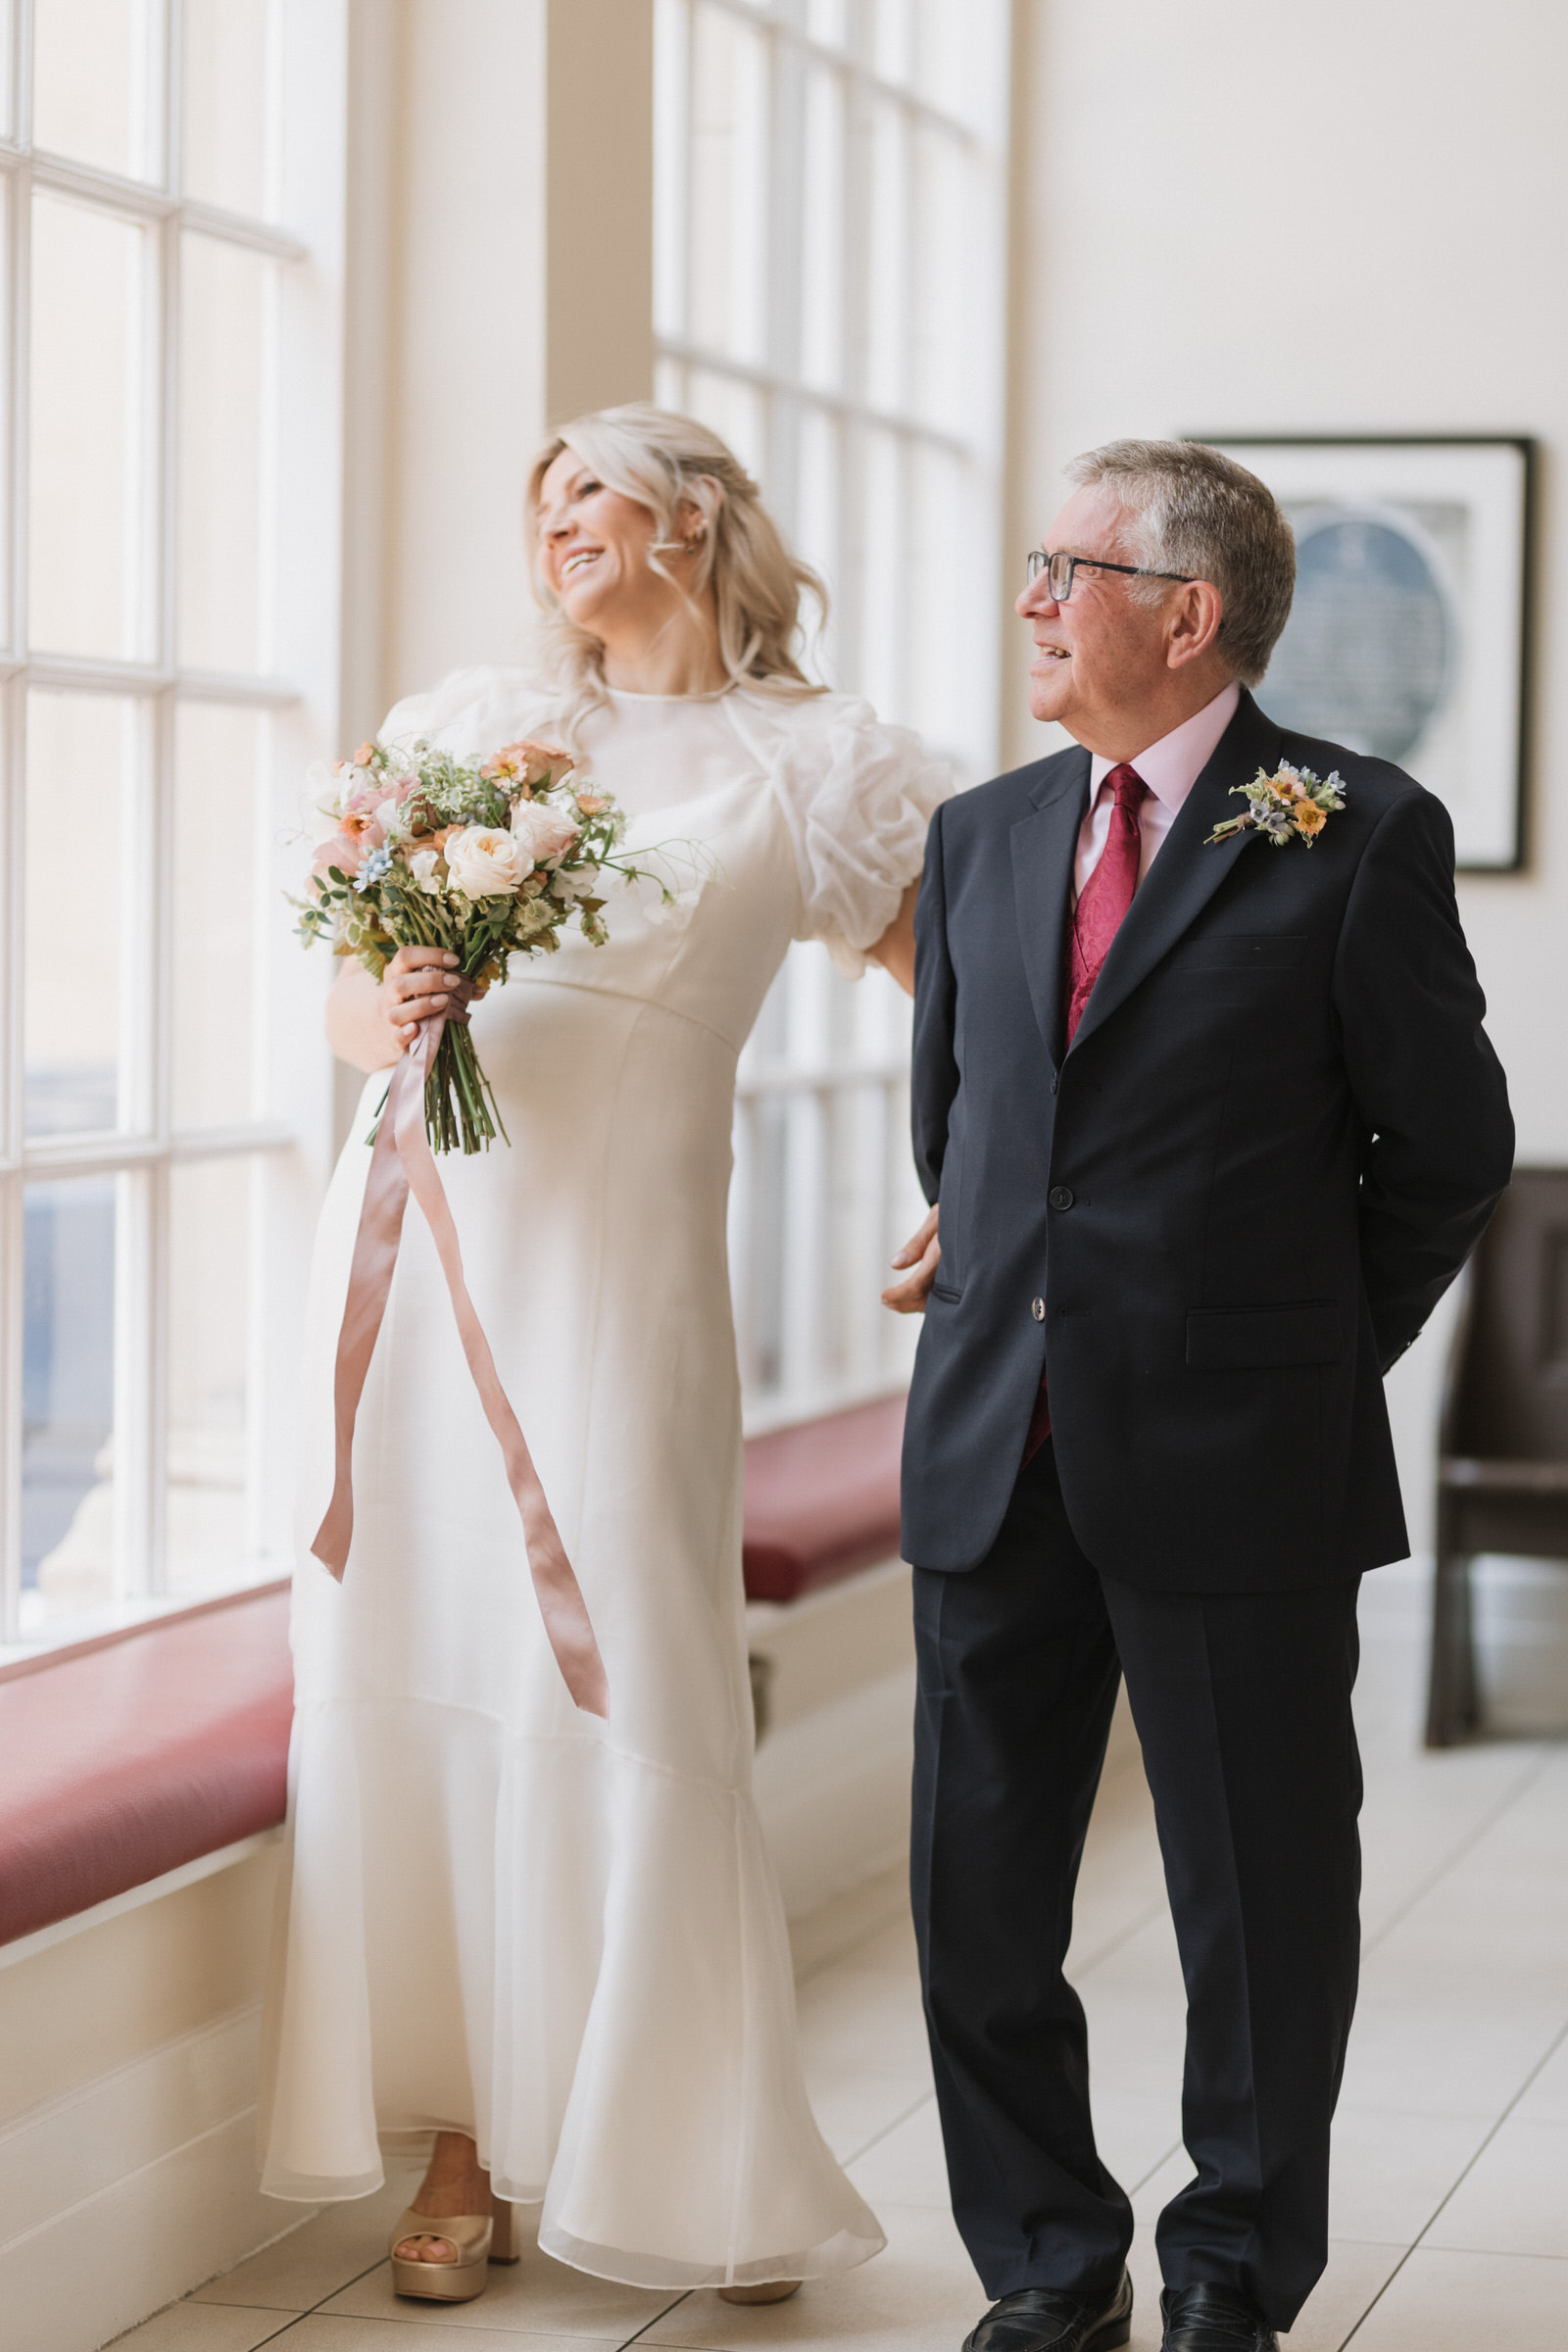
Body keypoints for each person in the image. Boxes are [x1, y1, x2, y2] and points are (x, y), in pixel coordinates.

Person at [260, 404, 949, 2306]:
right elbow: (335, 980)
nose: (558, 522)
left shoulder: (820, 763)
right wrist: (375, 1003)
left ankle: (688, 2152)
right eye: (540, 497)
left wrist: (986, 1183)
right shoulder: (468, 727)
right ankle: (461, 2148)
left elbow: (966, 1000)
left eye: (596, 490)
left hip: (622, 1285)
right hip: (416, 1257)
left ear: (697, 515)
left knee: (624, 1662)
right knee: (429, 1644)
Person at [883, 439, 1513, 2352]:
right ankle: (1044, 2269)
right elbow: (963, 1131)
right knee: (976, 1901)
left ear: (1185, 613)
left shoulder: (1352, 828)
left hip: (1238, 1463)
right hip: (995, 1447)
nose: (1025, 603)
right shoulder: (980, 835)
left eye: (1056, 569)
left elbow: (1445, 1155)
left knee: (1254, 1907)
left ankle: (1232, 2278)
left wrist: (1304, 1350)